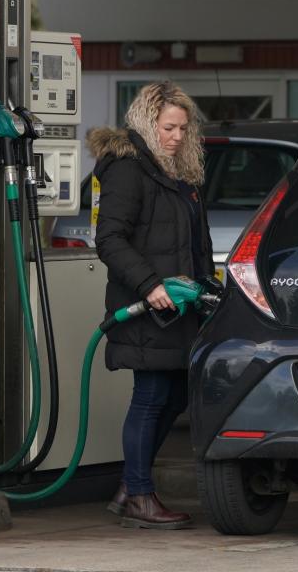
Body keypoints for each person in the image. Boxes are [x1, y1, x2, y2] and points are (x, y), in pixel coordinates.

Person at [89, 81, 214, 529]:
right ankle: (139, 496)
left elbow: (196, 242)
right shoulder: (127, 170)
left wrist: (207, 288)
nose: (178, 136)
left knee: (176, 394)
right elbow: (109, 239)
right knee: (151, 395)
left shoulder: (180, 175)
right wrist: (149, 285)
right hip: (147, 307)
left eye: (183, 128)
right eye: (169, 127)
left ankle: (131, 486)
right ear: (147, 122)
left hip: (181, 308)